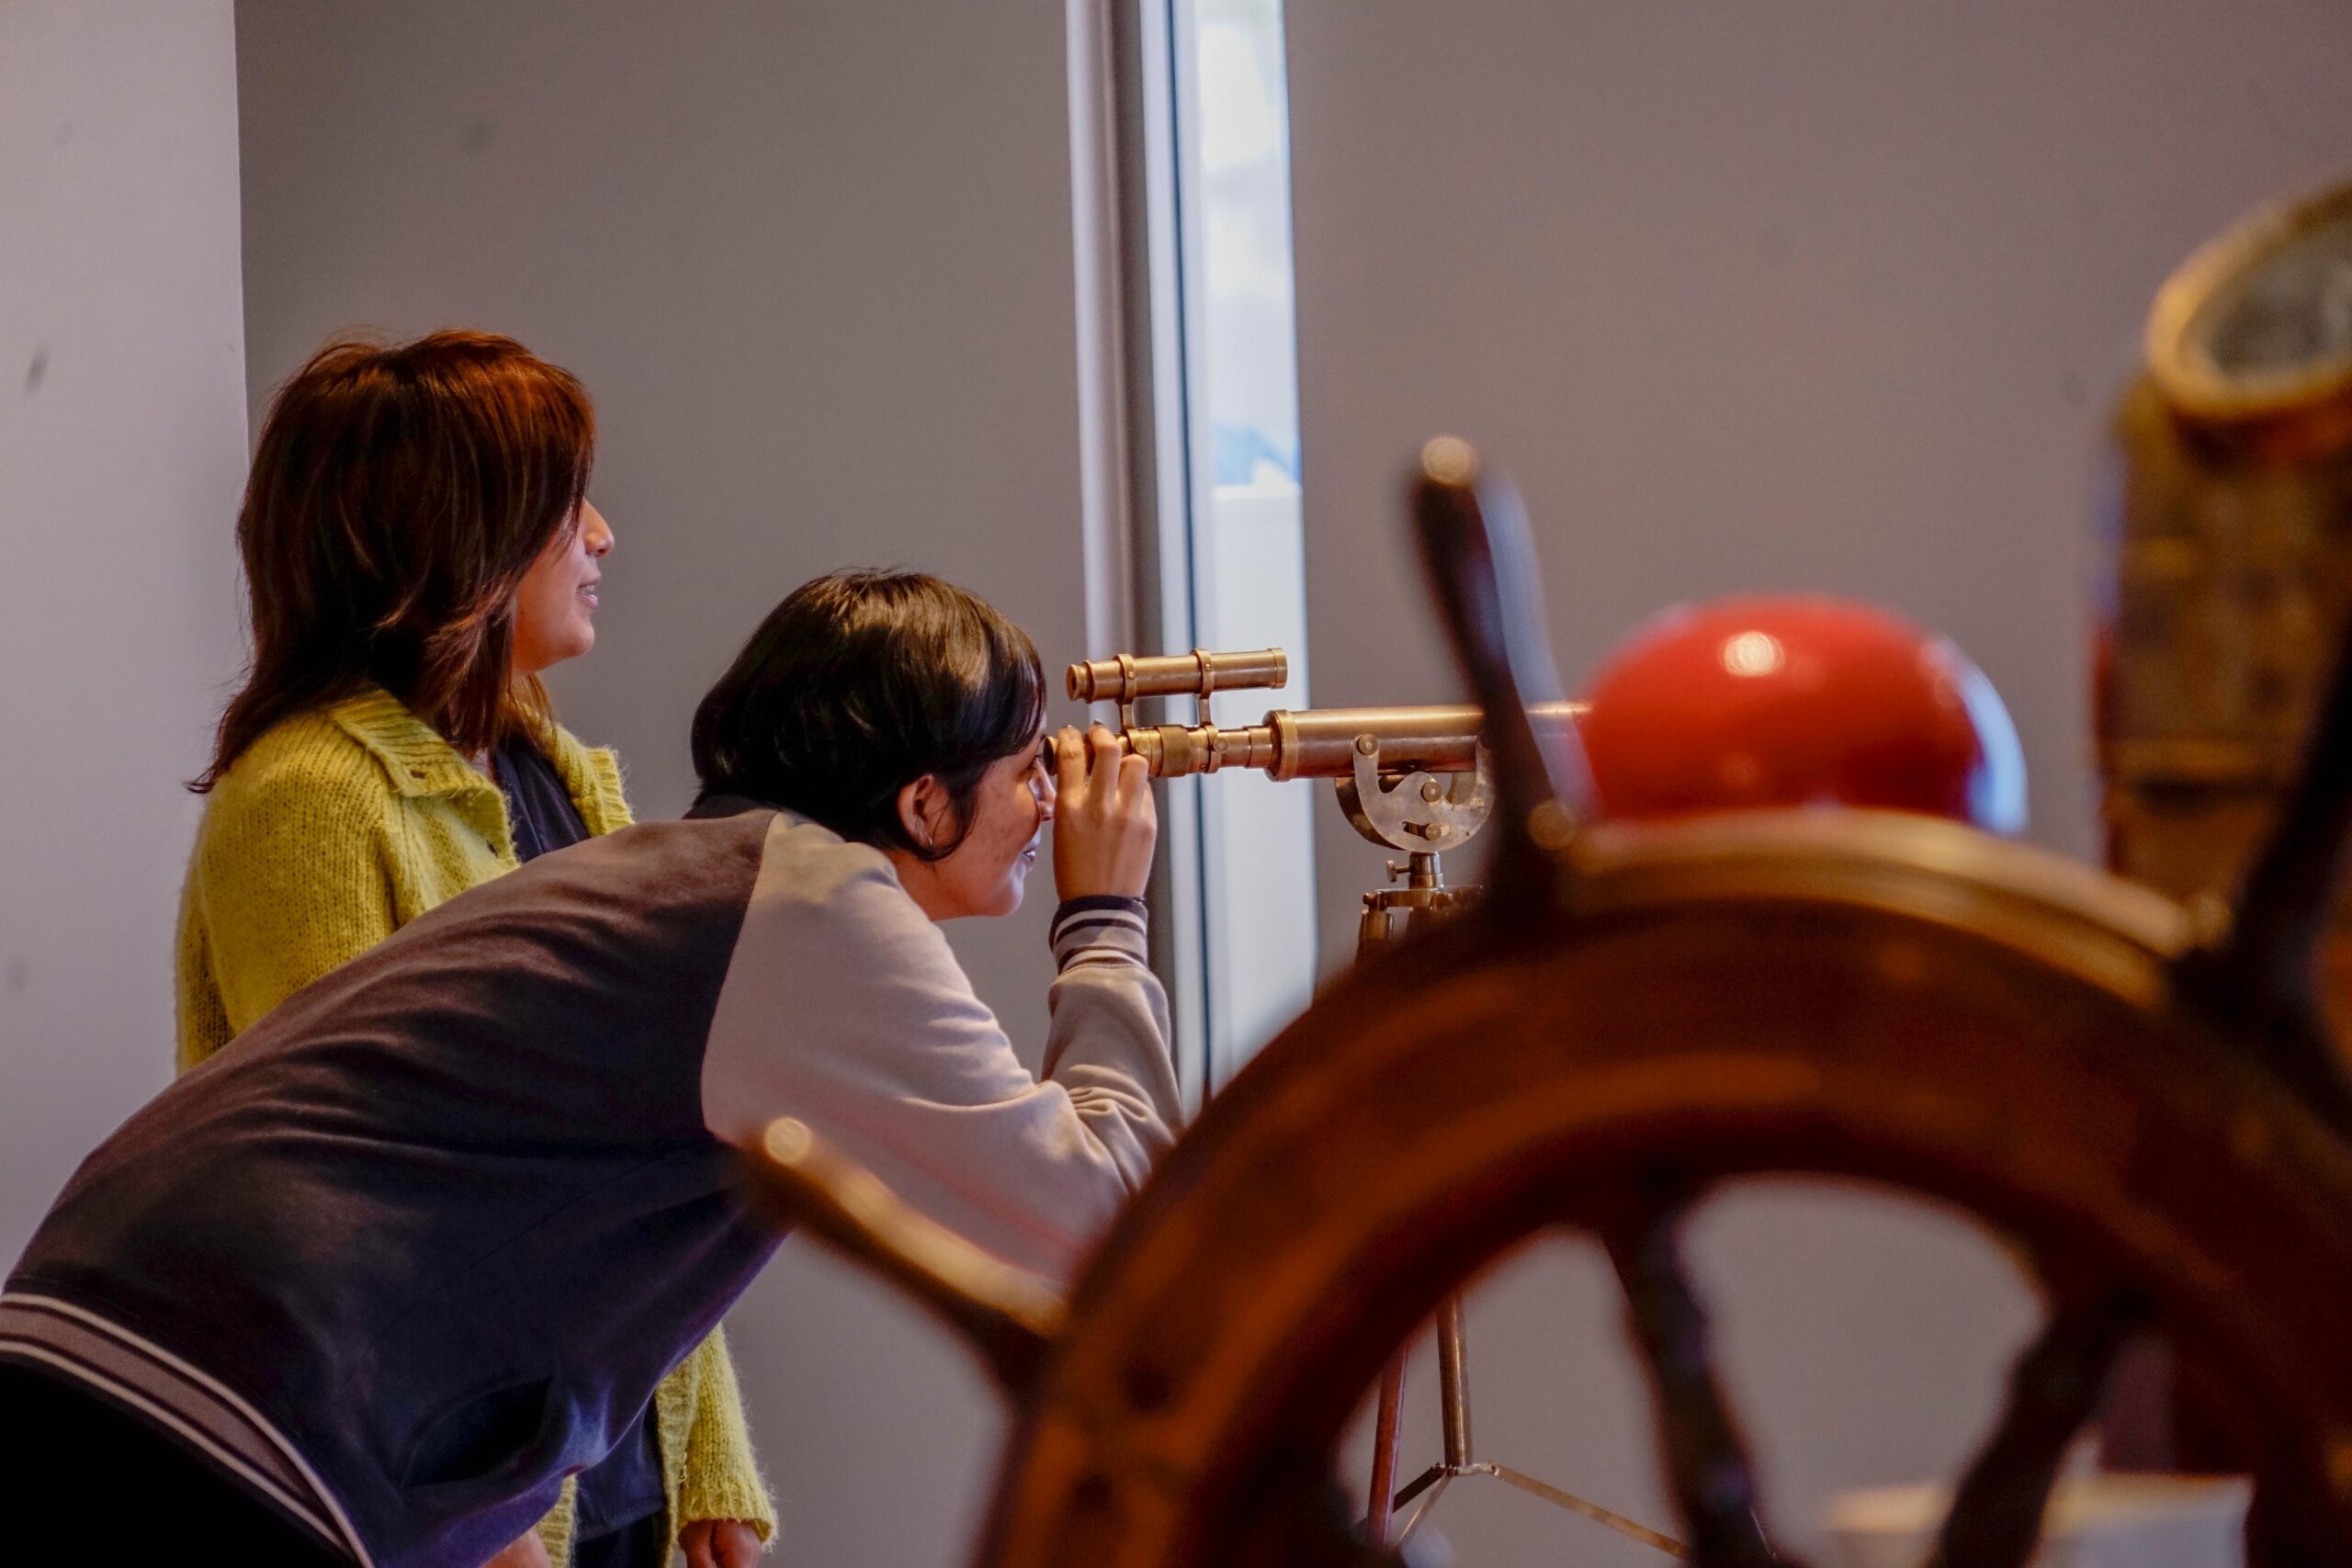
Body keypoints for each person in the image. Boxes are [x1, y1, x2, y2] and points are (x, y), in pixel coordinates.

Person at [0, 570, 1178, 1568]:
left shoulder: (696, 875)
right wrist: (1106, 916)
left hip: (121, 1337)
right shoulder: (812, 903)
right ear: (923, 803)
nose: (1049, 805)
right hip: (222, 1394)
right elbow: (1102, 1224)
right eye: (1029, 771)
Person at [170, 332, 772, 1567]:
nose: (601, 534)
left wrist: (709, 1461)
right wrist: (477, 1532)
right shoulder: (309, 796)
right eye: (564, 510)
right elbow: (346, 1215)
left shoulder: (554, 769)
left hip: (616, 1484)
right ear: (463, 540)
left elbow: (637, 1162)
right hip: (440, 1514)